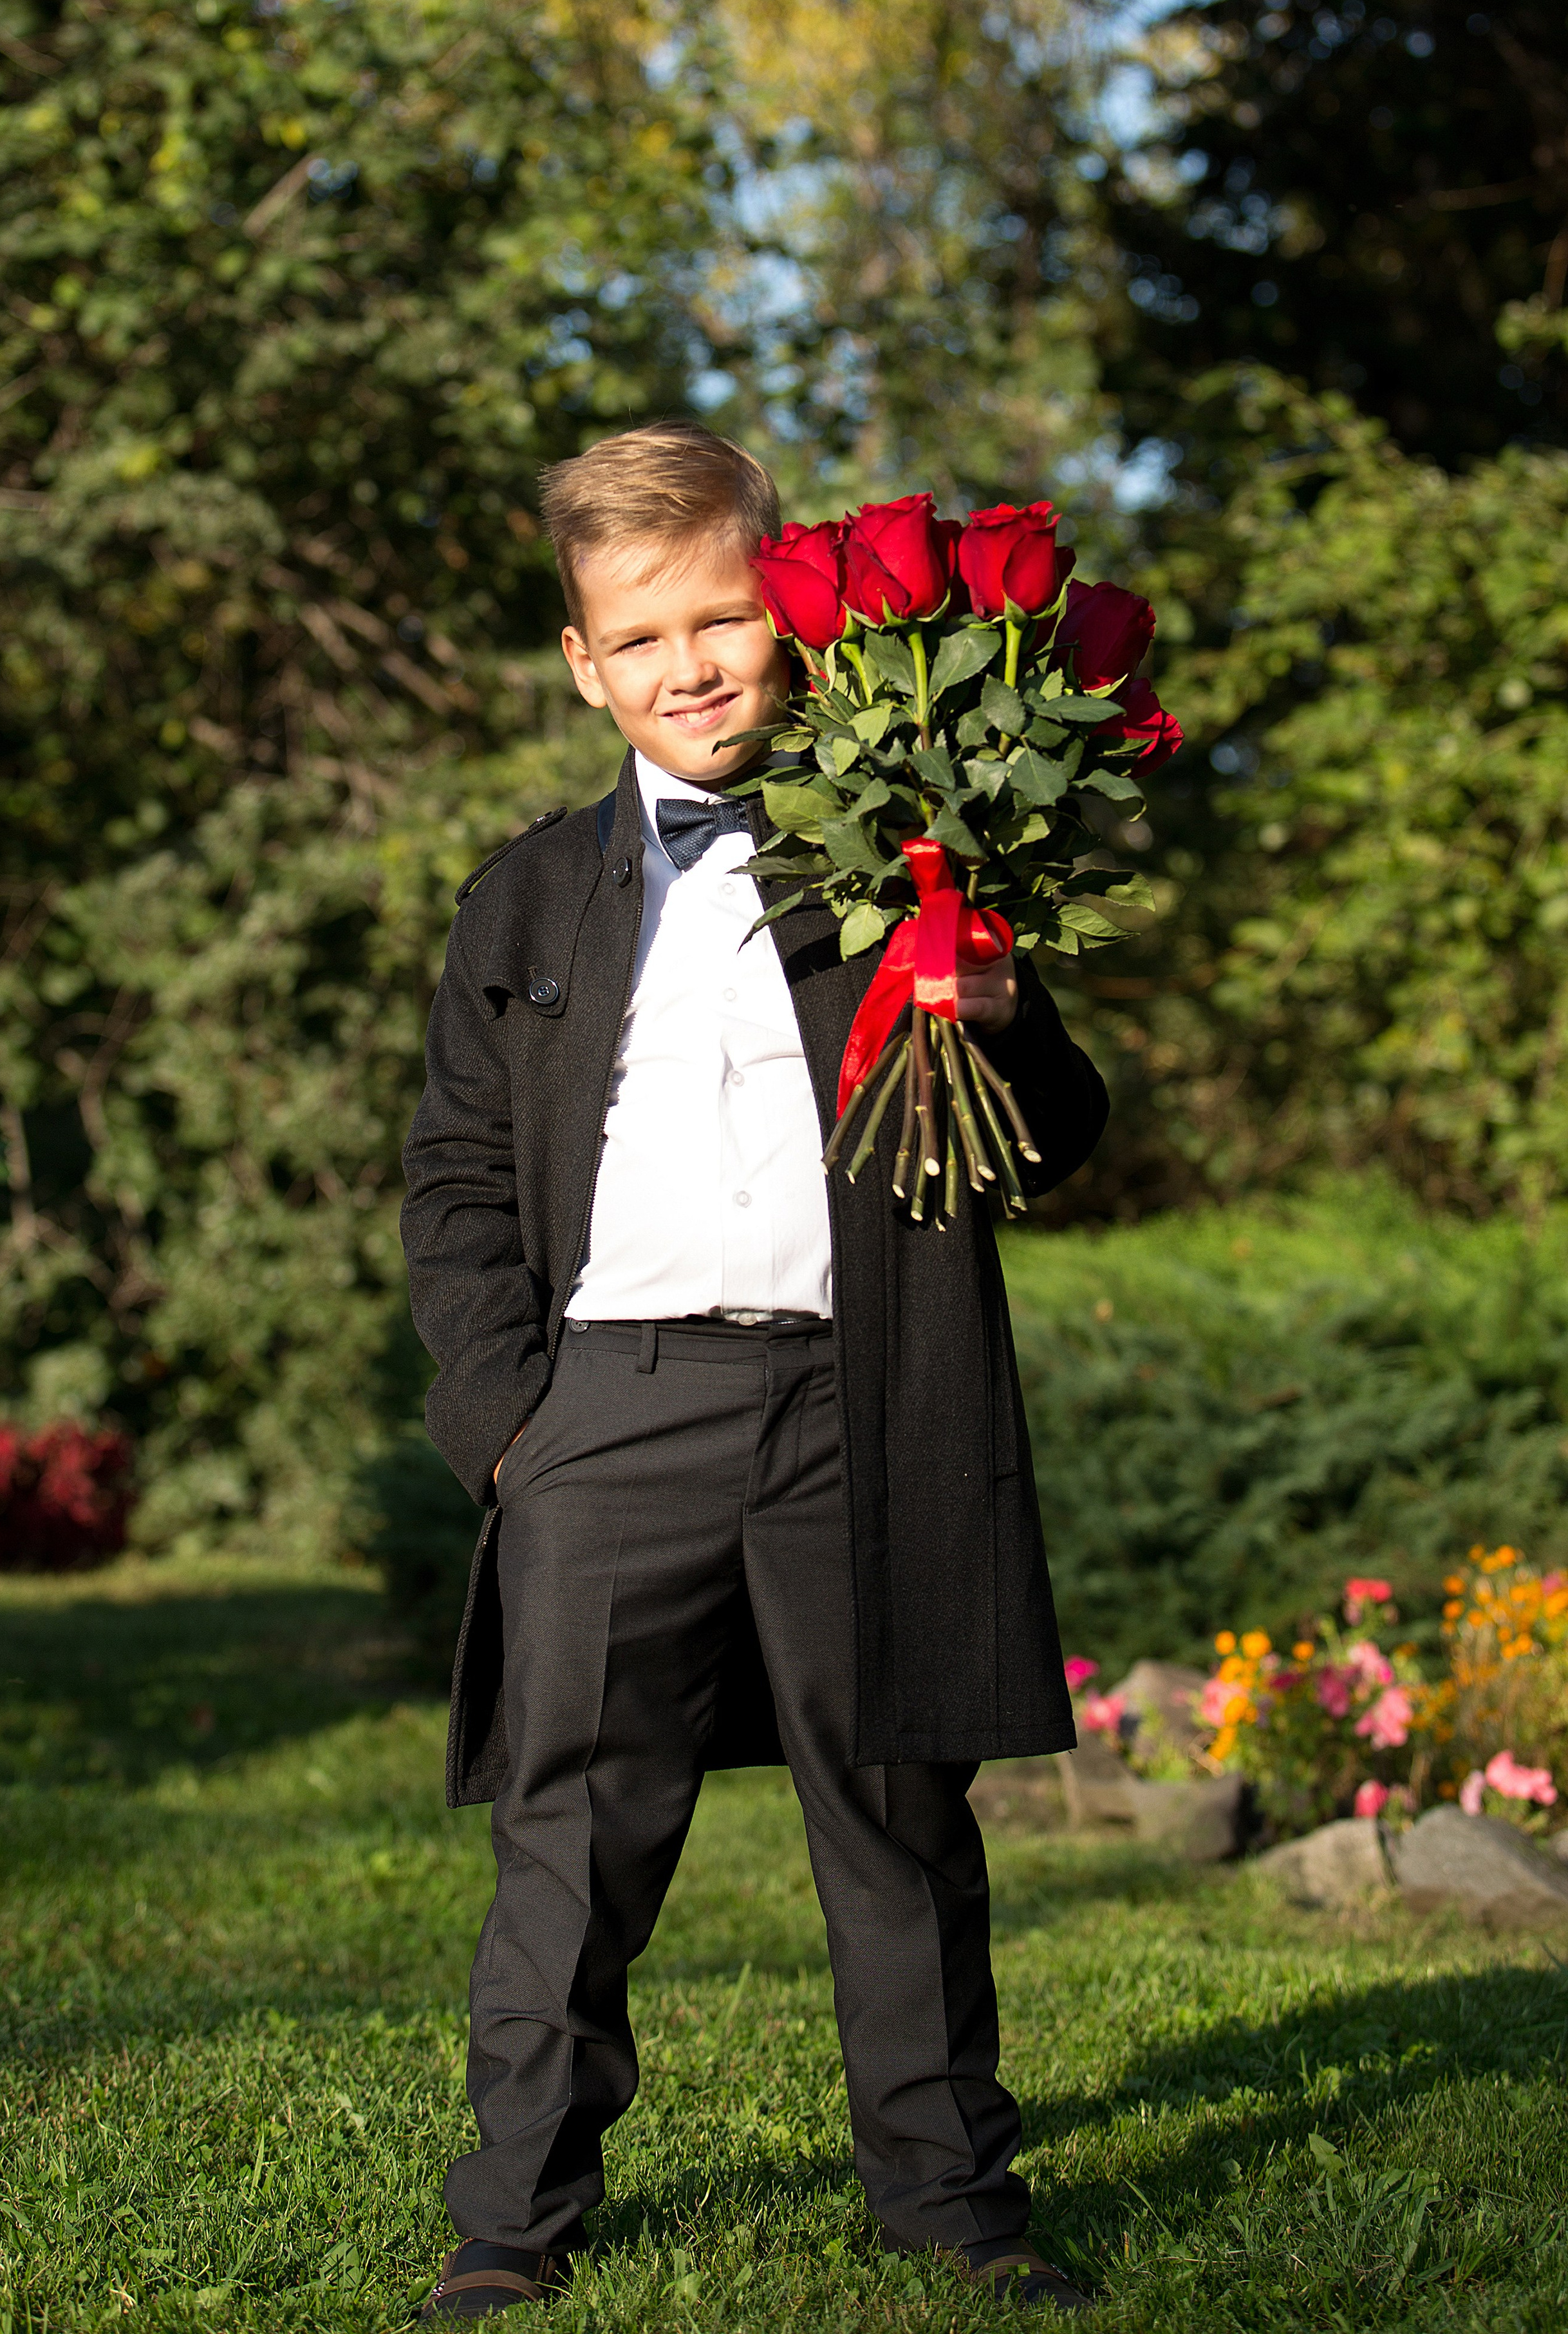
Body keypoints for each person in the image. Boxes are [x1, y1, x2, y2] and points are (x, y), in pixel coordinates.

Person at [400, 420, 1108, 2320]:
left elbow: (1049, 1135)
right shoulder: (524, 898)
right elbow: (458, 1176)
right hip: (606, 1411)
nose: (691, 667)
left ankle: (953, 2204)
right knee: (577, 1826)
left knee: (897, 1814)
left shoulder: (906, 848)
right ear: (582, 663)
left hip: (863, 1402)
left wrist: (1009, 1013)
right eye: (642, 639)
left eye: (725, 618)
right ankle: (512, 2220)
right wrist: (509, 1429)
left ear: (790, 610)